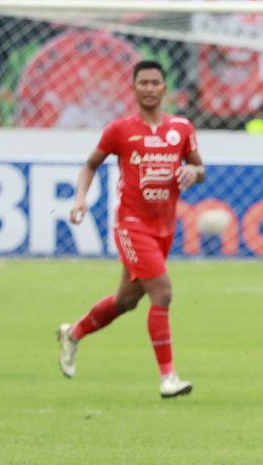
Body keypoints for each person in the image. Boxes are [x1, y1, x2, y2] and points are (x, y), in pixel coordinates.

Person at [57, 61, 205, 398]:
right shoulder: (120, 130)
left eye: (155, 82)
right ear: (134, 88)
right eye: (143, 83)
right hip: (131, 225)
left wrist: (194, 173)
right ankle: (168, 377)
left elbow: (200, 168)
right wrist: (80, 199)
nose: (149, 88)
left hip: (164, 227)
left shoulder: (182, 129)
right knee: (162, 291)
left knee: (126, 301)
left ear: (165, 88)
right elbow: (90, 164)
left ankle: (73, 333)